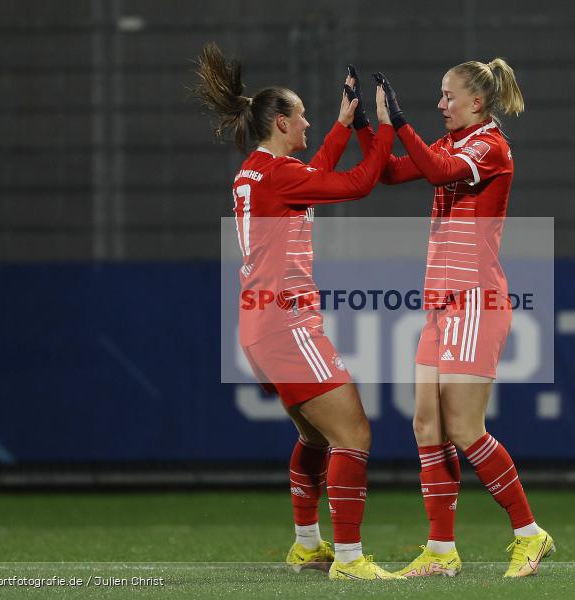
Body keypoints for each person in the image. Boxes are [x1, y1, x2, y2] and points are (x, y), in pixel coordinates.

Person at [192, 43, 401, 581]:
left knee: (314, 438)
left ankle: (307, 545)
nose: (308, 122)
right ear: (282, 122)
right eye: (303, 115)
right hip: (287, 322)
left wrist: (338, 124)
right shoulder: (279, 177)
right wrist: (378, 129)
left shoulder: (257, 173)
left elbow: (311, 179)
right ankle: (350, 560)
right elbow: (356, 184)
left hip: (259, 324)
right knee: (353, 435)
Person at [348, 61, 555, 578]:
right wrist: (364, 125)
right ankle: (441, 551)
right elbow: (394, 171)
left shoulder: (489, 147)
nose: (440, 104)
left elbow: (439, 173)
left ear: (476, 103)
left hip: (474, 300)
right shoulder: (453, 143)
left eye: (447, 96)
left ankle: (530, 534)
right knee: (427, 425)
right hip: (442, 303)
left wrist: (401, 122)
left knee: (464, 427)